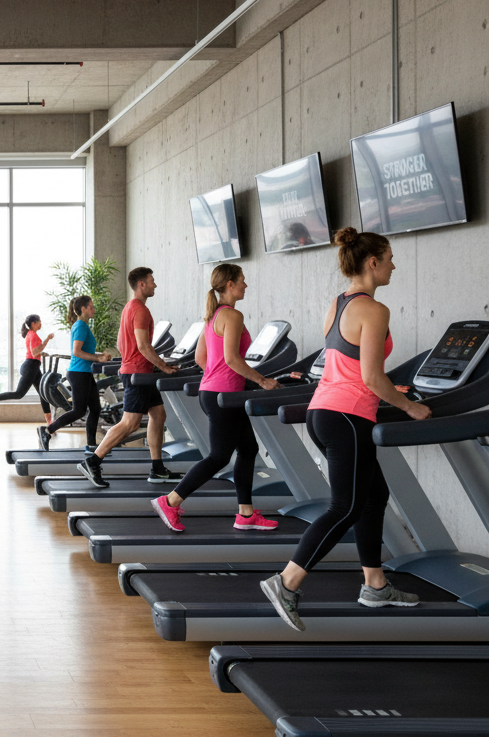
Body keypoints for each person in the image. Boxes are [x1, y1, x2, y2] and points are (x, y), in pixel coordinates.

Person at [260, 228, 430, 633]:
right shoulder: (375, 309)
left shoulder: (337, 304)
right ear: (373, 262)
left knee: (374, 496)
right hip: (347, 418)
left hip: (324, 412)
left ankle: (375, 585)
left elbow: (347, 366)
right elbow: (371, 376)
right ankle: (287, 582)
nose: (393, 265)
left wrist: (392, 389)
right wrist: (408, 405)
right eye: (389, 258)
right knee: (346, 506)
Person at [150, 265, 282, 532]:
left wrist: (221, 375)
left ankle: (245, 514)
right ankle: (170, 500)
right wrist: (261, 380)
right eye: (242, 281)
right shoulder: (232, 315)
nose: (246, 285)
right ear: (230, 284)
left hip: (212, 392)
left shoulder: (212, 316)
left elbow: (201, 359)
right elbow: (232, 358)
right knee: (219, 457)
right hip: (225, 395)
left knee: (248, 450)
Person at [79, 267, 179, 488]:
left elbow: (121, 342)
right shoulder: (141, 310)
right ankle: (93, 460)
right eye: (152, 281)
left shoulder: (129, 308)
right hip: (138, 373)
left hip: (140, 371)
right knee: (131, 423)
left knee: (158, 414)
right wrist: (163, 366)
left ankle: (157, 467)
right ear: (141, 284)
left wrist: (147, 363)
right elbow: (143, 346)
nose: (155, 285)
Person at [38, 296, 112, 452]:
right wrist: (98, 358)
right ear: (83, 309)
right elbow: (76, 352)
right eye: (90, 306)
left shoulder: (83, 325)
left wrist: (99, 355)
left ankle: (92, 445)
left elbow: (84, 350)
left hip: (84, 372)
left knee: (95, 408)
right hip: (78, 373)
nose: (93, 309)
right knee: (79, 411)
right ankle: (47, 431)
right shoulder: (80, 326)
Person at [0, 314, 55, 424]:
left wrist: (42, 352)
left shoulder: (31, 334)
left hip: (34, 367)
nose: (41, 324)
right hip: (31, 367)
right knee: (19, 394)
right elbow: (34, 352)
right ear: (33, 323)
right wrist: (47, 340)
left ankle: (49, 422)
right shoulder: (33, 335)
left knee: (43, 394)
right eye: (39, 321)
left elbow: (34, 352)